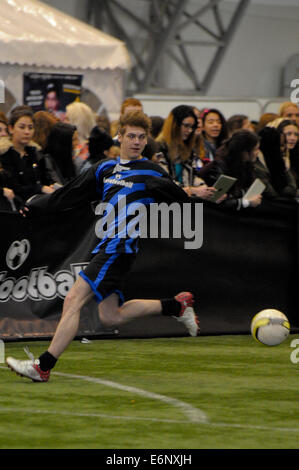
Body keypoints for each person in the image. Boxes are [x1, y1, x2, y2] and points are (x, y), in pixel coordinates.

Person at [6, 110, 200, 383]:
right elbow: (70, 194)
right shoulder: (104, 168)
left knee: (73, 299)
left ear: (146, 141)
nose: (136, 141)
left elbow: (175, 197)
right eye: (131, 136)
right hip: (107, 247)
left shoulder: (151, 170)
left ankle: (43, 365)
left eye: (141, 137)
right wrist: (37, 205)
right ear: (119, 136)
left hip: (119, 248)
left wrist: (185, 192)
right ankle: (176, 306)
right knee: (110, 317)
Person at [155, 104, 217, 200]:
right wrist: (192, 190)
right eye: (186, 126)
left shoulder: (188, 150)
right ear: (174, 125)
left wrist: (205, 189)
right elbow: (165, 183)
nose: (189, 130)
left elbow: (193, 176)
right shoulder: (159, 149)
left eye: (192, 127)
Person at [0, 108, 56, 204]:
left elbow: (45, 178)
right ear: (11, 129)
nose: (27, 132)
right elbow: (14, 187)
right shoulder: (4, 155)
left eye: (30, 128)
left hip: (37, 205)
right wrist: (40, 188)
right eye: (22, 127)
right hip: (12, 207)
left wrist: (50, 186)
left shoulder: (36, 153)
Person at [198, 130, 262, 210]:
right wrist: (246, 202)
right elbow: (218, 200)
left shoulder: (246, 164)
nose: (258, 152)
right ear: (244, 151)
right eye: (255, 149)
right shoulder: (220, 166)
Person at [254, 126, 297, 199]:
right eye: (280, 145)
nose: (282, 149)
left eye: (283, 145)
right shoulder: (258, 166)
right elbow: (272, 193)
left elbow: (292, 189)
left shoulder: (279, 162)